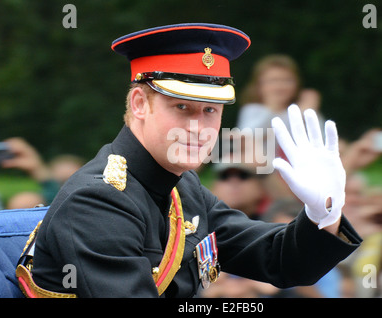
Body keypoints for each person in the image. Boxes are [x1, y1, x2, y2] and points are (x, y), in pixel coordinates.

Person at [19, 23, 361, 298]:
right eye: (181, 107)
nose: (199, 128)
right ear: (140, 103)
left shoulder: (182, 188)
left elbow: (280, 262)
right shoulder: (97, 201)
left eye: (211, 110)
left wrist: (324, 213)